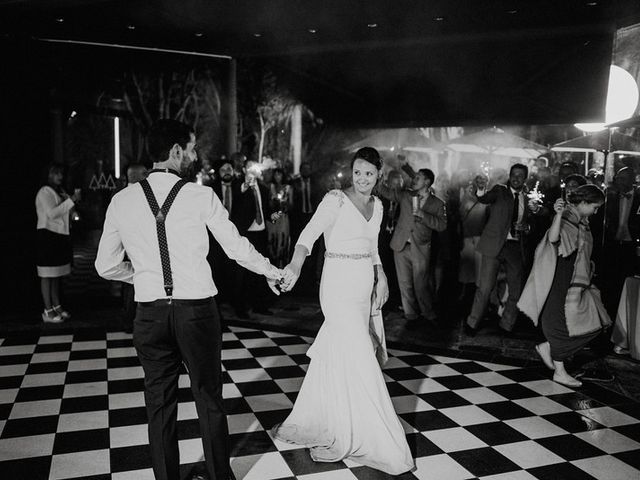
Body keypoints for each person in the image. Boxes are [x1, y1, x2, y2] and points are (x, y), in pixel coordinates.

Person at [95, 120, 286, 480]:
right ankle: (218, 477)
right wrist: (272, 272)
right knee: (208, 399)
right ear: (176, 150)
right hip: (197, 313)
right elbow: (236, 248)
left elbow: (105, 265)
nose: (196, 155)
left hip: (149, 315)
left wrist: (141, 275)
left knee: (159, 405)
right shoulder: (201, 196)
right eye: (193, 148)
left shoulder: (121, 201)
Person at [273, 147, 414, 475]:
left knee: (342, 351)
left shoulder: (378, 205)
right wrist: (294, 264)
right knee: (361, 351)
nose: (362, 179)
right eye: (357, 173)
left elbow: (374, 246)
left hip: (364, 283)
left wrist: (381, 278)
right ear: (350, 173)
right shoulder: (335, 199)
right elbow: (308, 234)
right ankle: (366, 431)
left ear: (378, 175)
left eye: (369, 173)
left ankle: (331, 415)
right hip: (337, 284)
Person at [518, 185, 611, 387]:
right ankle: (559, 371)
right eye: (594, 207)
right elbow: (553, 239)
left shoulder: (582, 222)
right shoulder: (567, 218)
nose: (596, 212)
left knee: (597, 321)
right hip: (559, 275)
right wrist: (558, 215)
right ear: (584, 203)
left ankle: (549, 347)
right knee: (559, 323)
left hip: (577, 279)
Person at [465, 164, 537, 335]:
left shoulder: (528, 198)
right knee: (485, 287)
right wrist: (481, 189)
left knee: (516, 290)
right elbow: (484, 198)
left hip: (515, 248)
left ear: (525, 178)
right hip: (494, 245)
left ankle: (507, 325)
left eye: (520, 175)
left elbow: (533, 223)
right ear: (509, 175)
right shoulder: (500, 191)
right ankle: (472, 323)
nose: (516, 178)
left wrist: (528, 227)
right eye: (513, 174)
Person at [377, 166, 447, 329]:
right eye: (414, 178)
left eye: (418, 178)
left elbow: (442, 225)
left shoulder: (438, 203)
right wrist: (378, 177)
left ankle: (428, 313)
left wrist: (425, 216)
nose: (414, 180)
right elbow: (387, 192)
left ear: (427, 182)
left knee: (421, 284)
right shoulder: (407, 195)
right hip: (401, 245)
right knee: (404, 283)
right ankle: (410, 315)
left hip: (421, 248)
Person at [35, 163, 81, 323]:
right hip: (47, 235)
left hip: (59, 236)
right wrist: (71, 201)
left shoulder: (59, 191)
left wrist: (72, 205)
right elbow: (52, 213)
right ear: (48, 175)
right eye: (56, 174)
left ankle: (56, 306)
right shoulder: (44, 191)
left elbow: (65, 212)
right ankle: (47, 310)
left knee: (56, 275)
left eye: (61, 174)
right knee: (47, 274)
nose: (60, 177)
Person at [120, 164, 148, 333]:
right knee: (133, 284)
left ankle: (130, 320)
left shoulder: (122, 195)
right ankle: (132, 321)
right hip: (136, 246)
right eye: (145, 174)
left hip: (127, 246)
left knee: (129, 284)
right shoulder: (137, 195)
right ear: (137, 175)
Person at [267, 167, 293, 268]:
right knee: (272, 240)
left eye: (280, 174)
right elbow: (267, 203)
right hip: (273, 218)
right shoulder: (270, 187)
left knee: (283, 240)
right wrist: (274, 203)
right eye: (276, 174)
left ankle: (282, 267)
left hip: (283, 218)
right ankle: (272, 266)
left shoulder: (288, 188)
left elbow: (291, 205)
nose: (277, 177)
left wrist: (285, 204)